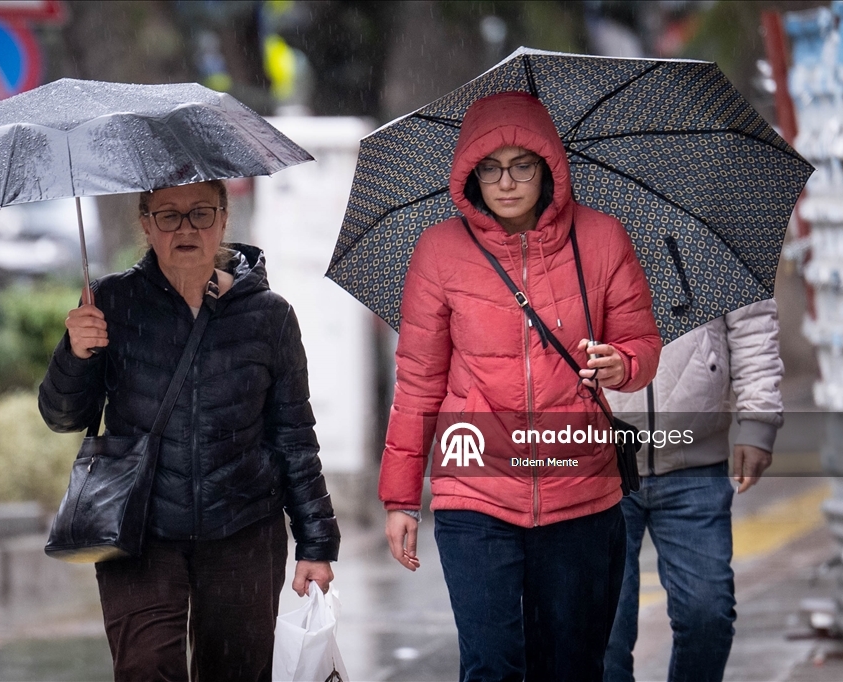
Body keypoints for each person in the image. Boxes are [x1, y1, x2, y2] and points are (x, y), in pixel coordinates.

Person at [379, 90, 663, 681]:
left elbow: (641, 345)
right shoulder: (438, 252)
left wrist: (622, 364)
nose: (506, 182)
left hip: (581, 489)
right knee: (491, 666)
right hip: (475, 490)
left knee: (575, 667)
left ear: (549, 166)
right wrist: (402, 497)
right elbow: (419, 382)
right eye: (490, 167)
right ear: (468, 173)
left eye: (522, 165)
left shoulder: (603, 239)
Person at [38, 179, 340, 682]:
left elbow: (294, 437)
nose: (185, 228)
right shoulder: (112, 302)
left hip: (242, 528)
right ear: (146, 223)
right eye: (168, 215)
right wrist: (76, 353)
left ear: (224, 219)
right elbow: (62, 416)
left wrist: (317, 543)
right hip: (139, 530)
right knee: (146, 667)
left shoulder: (270, 316)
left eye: (200, 213)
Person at [602, 299, 784, 682]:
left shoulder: (711, 240)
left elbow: (752, 321)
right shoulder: (569, 237)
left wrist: (758, 421)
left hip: (695, 461)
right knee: (604, 631)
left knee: (708, 614)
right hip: (600, 461)